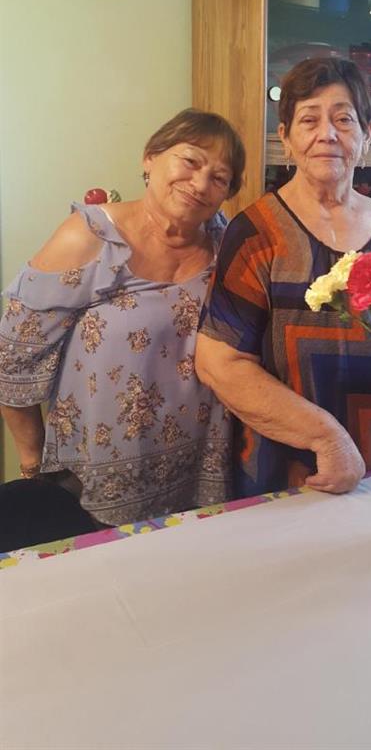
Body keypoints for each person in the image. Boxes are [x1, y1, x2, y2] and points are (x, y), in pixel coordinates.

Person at [0, 109, 246, 536]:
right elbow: (12, 356)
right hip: (94, 485)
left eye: (220, 178)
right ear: (150, 158)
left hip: (203, 473)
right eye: (190, 161)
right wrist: (31, 459)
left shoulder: (226, 245)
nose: (201, 183)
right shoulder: (90, 237)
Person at [196, 57, 371, 499]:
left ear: (367, 136)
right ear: (286, 140)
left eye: (343, 119)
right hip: (291, 471)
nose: (326, 134)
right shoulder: (256, 233)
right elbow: (220, 362)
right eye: (308, 120)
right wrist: (326, 437)